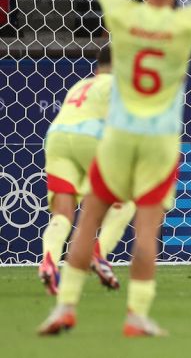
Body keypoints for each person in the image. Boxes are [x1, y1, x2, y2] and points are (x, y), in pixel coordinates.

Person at [38, 0, 191, 337]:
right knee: (146, 231)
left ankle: (64, 308)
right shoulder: (184, 24)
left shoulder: (124, 16)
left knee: (87, 223)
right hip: (159, 142)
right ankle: (137, 316)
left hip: (118, 137)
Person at [38, 49, 136, 297]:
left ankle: (49, 260)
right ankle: (98, 254)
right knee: (126, 200)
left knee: (63, 213)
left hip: (56, 138)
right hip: (91, 137)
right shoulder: (118, 85)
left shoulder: (80, 85)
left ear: (96, 69)